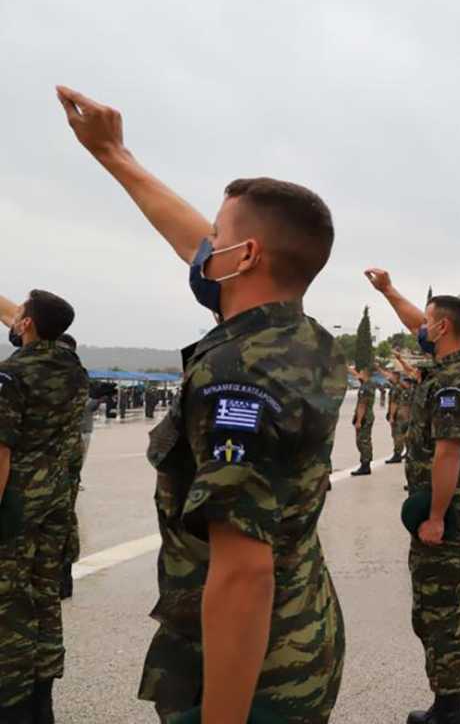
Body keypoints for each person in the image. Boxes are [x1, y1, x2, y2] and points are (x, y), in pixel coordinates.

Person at [58, 85, 346, 722]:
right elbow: (194, 241)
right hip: (301, 638)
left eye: (218, 237)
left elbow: (243, 570)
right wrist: (116, 156)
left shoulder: (235, 377)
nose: (202, 247)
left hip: (252, 675)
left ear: (245, 256)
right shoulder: (303, 341)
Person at [365, 271, 460, 723]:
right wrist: (387, 291)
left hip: (450, 511)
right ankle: (451, 703)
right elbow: (414, 318)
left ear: (443, 328)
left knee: (442, 610)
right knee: (449, 604)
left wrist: (436, 515)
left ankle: (450, 709)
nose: (419, 327)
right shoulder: (457, 364)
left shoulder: (452, 381)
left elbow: (448, 453)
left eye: (428, 322)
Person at [0, 289, 87, 722]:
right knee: (46, 598)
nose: (13, 318)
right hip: (56, 506)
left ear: (28, 324)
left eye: (19, 314)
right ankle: (42, 701)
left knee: (9, 605)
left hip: (15, 509)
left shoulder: (10, 376)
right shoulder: (72, 368)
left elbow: (1, 454)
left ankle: (12, 705)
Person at [51, 333, 91, 601]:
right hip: (68, 455)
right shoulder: (79, 375)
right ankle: (63, 580)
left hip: (46, 465)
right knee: (64, 518)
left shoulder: (42, 373)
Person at [350, 366, 376, 476]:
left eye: (360, 372)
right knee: (365, 440)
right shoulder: (370, 384)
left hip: (364, 417)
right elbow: (356, 375)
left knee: (362, 441)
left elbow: (362, 405)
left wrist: (359, 421)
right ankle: (366, 463)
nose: (358, 374)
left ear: (364, 374)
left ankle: (365, 465)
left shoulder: (364, 388)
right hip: (369, 416)